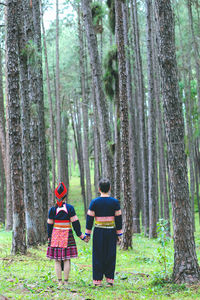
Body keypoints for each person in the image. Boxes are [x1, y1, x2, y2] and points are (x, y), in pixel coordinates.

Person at [84, 178, 123, 286]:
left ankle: (97, 281)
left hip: (98, 231)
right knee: (110, 255)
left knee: (98, 255)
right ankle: (110, 280)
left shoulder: (94, 202)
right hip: (111, 232)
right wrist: (119, 234)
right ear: (109, 188)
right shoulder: (115, 202)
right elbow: (118, 220)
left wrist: (88, 234)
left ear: (99, 189)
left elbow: (89, 219)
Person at [47, 182, 85, 286]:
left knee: (57, 260)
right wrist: (80, 235)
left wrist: (49, 237)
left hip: (55, 236)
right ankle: (66, 281)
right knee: (67, 258)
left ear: (56, 197)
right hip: (67, 235)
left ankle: (59, 282)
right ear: (65, 196)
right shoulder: (70, 208)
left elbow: (49, 225)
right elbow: (75, 223)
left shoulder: (52, 210)